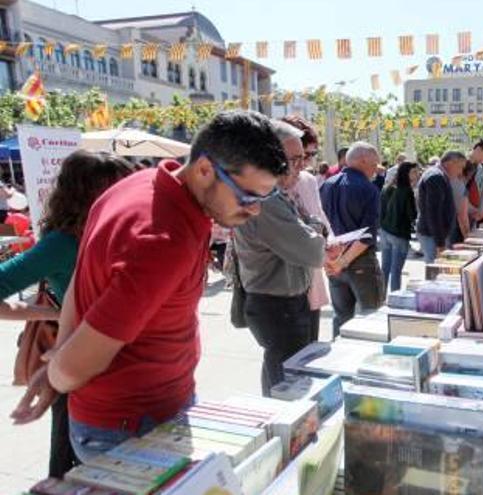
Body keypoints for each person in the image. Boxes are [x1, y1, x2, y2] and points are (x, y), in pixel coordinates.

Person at [11, 111, 288, 462]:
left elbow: (80, 293)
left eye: (264, 200)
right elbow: (74, 368)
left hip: (138, 412)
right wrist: (57, 372)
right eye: (249, 198)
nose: (255, 212)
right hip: (130, 425)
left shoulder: (142, 183)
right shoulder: (163, 240)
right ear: (204, 170)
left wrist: (57, 368)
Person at [0, 150, 132, 477]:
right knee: (69, 465)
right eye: (118, 189)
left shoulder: (119, 232)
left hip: (128, 370)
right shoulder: (63, 243)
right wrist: (53, 314)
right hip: (83, 370)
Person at [234, 121, 327, 396]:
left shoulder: (272, 195)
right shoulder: (265, 200)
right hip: (278, 305)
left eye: (305, 158)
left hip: (282, 302)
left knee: (285, 375)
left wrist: (312, 229)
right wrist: (316, 231)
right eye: (295, 159)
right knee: (287, 386)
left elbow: (308, 230)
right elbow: (311, 250)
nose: (302, 165)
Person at [320, 142, 384, 335]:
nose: (377, 168)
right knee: (372, 317)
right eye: (375, 163)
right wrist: (343, 261)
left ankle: (338, 357)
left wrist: (334, 262)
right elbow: (367, 236)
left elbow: (318, 227)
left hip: (333, 261)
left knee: (341, 317)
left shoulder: (327, 185)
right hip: (359, 263)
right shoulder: (368, 189)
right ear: (363, 160)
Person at [284, 115, 333, 342]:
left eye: (311, 155)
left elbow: (320, 218)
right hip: (283, 283)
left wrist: (332, 242)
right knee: (286, 355)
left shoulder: (308, 181)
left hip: (311, 274)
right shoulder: (268, 185)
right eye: (304, 155)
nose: (306, 162)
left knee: (310, 344)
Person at [416, 151, 467, 263]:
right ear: (450, 163)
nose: (460, 172)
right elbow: (434, 213)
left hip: (435, 234)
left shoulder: (439, 175)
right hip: (432, 235)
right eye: (460, 167)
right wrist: (440, 244)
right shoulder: (436, 177)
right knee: (435, 274)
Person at [379, 161, 418, 292]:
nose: (417, 174)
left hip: (385, 232)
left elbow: (381, 211)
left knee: (385, 267)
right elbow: (412, 215)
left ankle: (381, 296)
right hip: (400, 233)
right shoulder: (407, 191)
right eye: (413, 172)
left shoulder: (387, 188)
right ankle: (395, 295)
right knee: (396, 270)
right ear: (405, 173)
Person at [465, 140, 483, 226]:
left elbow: (482, 189)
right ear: (478, 149)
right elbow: (459, 193)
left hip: (474, 215)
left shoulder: (480, 168)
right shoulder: (463, 165)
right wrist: (474, 210)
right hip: (462, 214)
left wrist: (480, 210)